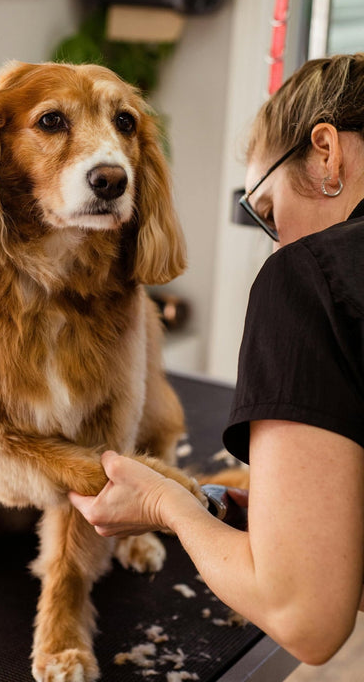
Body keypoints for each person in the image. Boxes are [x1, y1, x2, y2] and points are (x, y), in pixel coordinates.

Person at [69, 53, 364, 666]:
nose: (278, 239)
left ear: (328, 152)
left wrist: (164, 506)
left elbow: (304, 620)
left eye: (266, 209)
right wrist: (310, 530)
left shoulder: (308, 276)